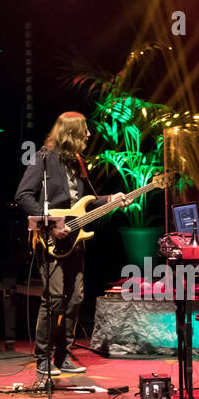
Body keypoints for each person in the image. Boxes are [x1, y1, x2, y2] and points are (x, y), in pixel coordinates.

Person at [15, 112, 126, 381]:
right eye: (84, 131)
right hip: (50, 240)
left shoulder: (78, 162)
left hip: (76, 241)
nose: (89, 135)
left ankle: (62, 356)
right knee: (53, 299)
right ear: (71, 133)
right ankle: (42, 358)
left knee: (75, 298)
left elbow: (86, 203)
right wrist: (51, 223)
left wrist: (113, 199)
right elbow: (23, 196)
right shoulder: (43, 158)